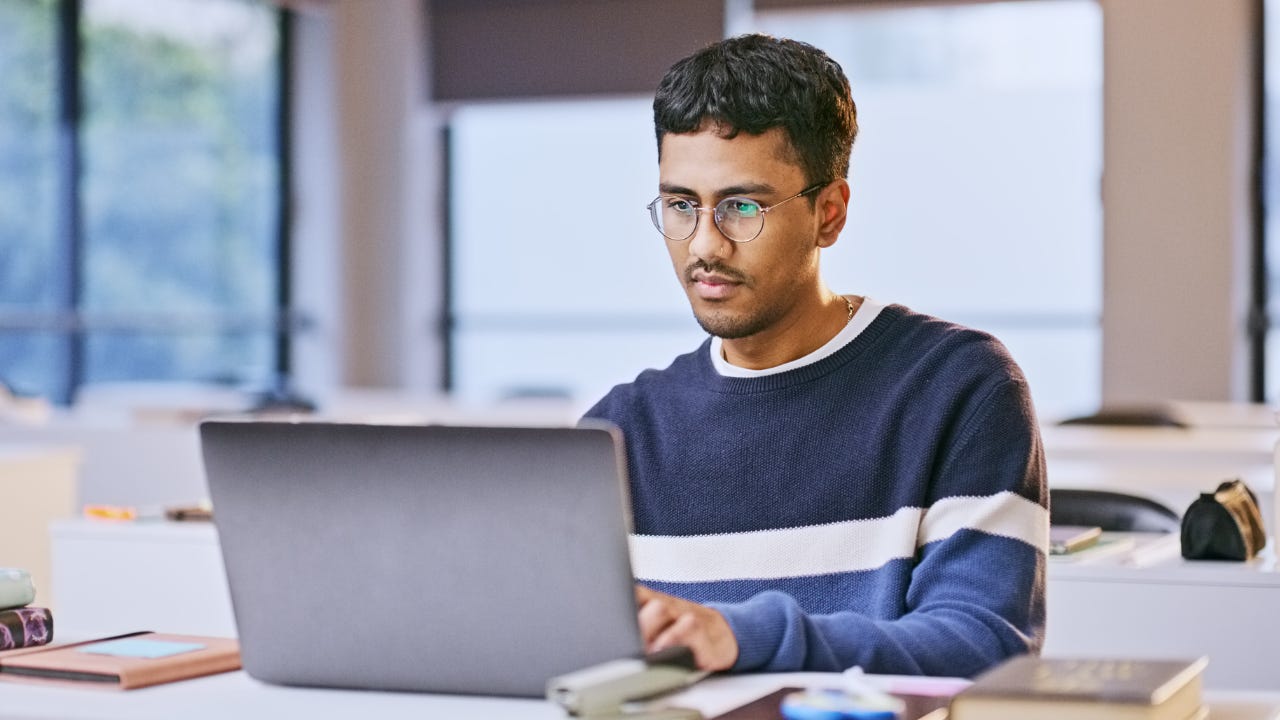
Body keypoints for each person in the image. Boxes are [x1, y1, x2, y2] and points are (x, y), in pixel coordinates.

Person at [582, 34, 1047, 679]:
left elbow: (985, 646)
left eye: (742, 206)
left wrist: (748, 636)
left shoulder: (960, 388)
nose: (704, 245)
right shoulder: (622, 428)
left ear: (829, 214)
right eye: (682, 206)